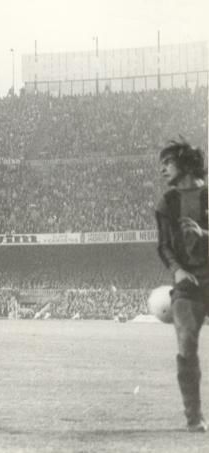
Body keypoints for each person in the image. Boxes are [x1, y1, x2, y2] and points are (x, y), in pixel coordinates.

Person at [156, 139, 208, 433]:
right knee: (186, 342)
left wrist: (205, 233)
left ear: (185, 163)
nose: (162, 169)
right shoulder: (167, 203)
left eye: (167, 162)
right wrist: (176, 270)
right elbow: (163, 245)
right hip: (188, 283)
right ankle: (194, 417)